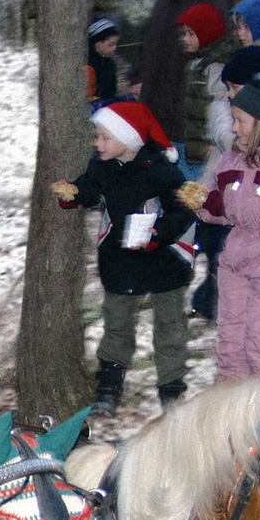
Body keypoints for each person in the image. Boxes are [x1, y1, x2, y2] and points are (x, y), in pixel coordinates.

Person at [51, 102, 196, 416]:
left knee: (169, 325)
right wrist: (73, 193)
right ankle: (109, 384)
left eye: (104, 137)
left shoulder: (160, 170)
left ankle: (172, 387)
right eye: (96, 137)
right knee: (117, 324)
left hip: (163, 260)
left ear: (128, 139)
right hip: (121, 260)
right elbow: (90, 187)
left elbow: (182, 209)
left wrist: (158, 235)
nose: (96, 143)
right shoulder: (101, 167)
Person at [181, 80, 260, 380]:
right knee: (231, 339)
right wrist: (202, 202)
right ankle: (232, 409)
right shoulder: (233, 160)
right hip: (235, 258)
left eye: (240, 121)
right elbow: (221, 205)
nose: (233, 128)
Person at [175, 3, 237, 322]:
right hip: (198, 160)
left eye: (190, 33)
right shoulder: (198, 65)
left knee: (214, 239)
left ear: (208, 33)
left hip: (212, 164)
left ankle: (213, 300)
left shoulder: (215, 69)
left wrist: (211, 161)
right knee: (205, 235)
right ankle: (207, 298)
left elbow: (219, 117)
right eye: (183, 33)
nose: (184, 38)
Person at [88, 18, 122, 104]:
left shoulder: (109, 64)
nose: (114, 48)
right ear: (97, 43)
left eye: (115, 44)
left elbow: (111, 91)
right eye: (110, 44)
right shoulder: (89, 63)